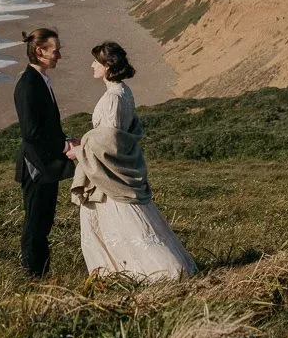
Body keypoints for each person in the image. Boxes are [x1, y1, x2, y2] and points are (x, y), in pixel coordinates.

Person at [68, 41, 196, 281]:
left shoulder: (112, 98)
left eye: (97, 61)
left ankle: (153, 273)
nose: (92, 65)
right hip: (119, 168)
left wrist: (80, 149)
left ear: (108, 66)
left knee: (124, 223)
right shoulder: (124, 92)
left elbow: (110, 140)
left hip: (110, 175)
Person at [13, 27, 75, 278]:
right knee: (36, 223)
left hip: (44, 164)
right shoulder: (29, 84)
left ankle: (41, 273)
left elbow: (46, 126)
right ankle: (33, 275)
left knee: (44, 220)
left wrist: (66, 139)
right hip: (36, 165)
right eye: (55, 51)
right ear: (39, 51)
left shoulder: (40, 80)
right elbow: (31, 132)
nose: (59, 55)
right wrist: (64, 147)